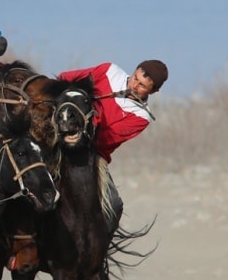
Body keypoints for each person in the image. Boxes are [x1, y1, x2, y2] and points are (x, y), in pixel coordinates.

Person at [58, 60, 168, 237]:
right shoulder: (108, 71)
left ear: (154, 91)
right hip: (59, 134)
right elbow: (66, 78)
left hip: (92, 155)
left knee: (114, 205)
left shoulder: (141, 117)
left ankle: (96, 256)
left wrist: (88, 119)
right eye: (135, 78)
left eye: (142, 86)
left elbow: (105, 140)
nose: (134, 85)